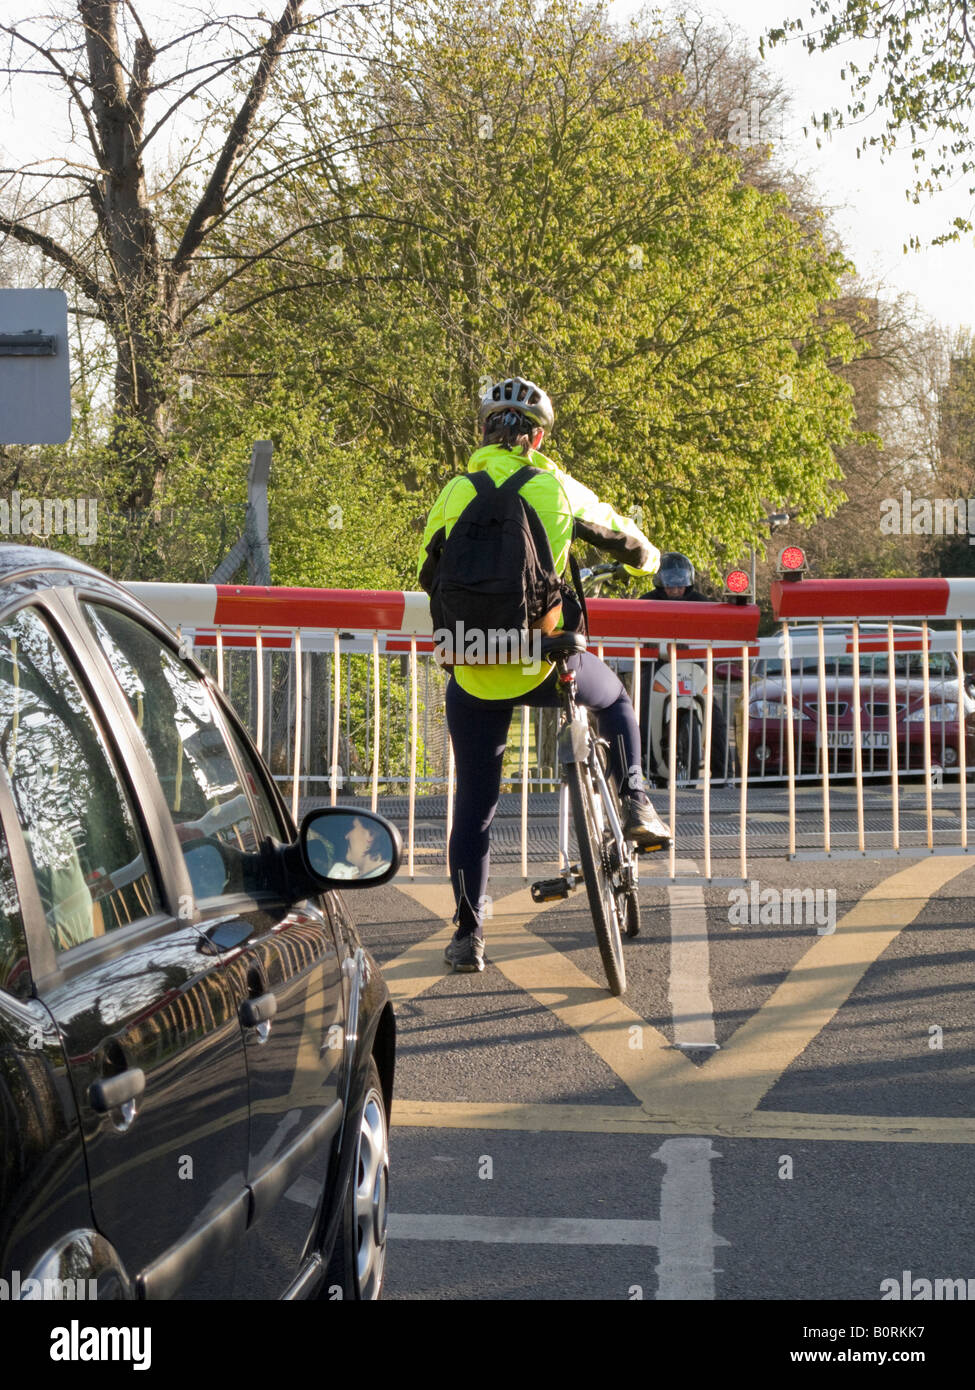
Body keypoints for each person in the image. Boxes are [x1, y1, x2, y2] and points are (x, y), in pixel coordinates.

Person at [418, 375, 671, 974]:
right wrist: (652, 560)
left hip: (475, 666)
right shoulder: (557, 487)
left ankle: (468, 935)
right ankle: (635, 799)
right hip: (543, 662)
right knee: (616, 702)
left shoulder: (454, 490)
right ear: (535, 437)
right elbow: (631, 546)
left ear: (484, 433)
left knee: (474, 808)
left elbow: (429, 571)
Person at [638, 552, 729, 778]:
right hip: (657, 666)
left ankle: (723, 775)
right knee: (641, 710)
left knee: (716, 720)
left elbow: (719, 628)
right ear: (660, 581)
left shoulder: (703, 603)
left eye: (680, 585)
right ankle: (642, 766)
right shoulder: (645, 603)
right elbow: (634, 631)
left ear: (688, 581)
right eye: (670, 584)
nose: (675, 590)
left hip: (694, 669)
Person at [328, 816, 392, 880]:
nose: (346, 836)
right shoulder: (342, 871)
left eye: (353, 827)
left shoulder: (382, 876)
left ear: (371, 835)